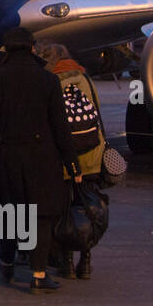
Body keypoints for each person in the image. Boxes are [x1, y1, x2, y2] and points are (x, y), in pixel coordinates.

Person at [0, 27, 82, 293]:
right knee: (41, 216)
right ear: (32, 48)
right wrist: (72, 162)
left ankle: (7, 263)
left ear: (6, 50)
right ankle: (38, 274)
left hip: (8, 154)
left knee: (12, 211)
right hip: (42, 157)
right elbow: (60, 126)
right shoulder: (47, 81)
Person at [35, 42, 105, 280]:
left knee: (63, 211)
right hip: (92, 155)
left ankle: (66, 262)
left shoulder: (49, 81)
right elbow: (97, 114)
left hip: (63, 158)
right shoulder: (84, 78)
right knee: (87, 208)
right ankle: (85, 262)